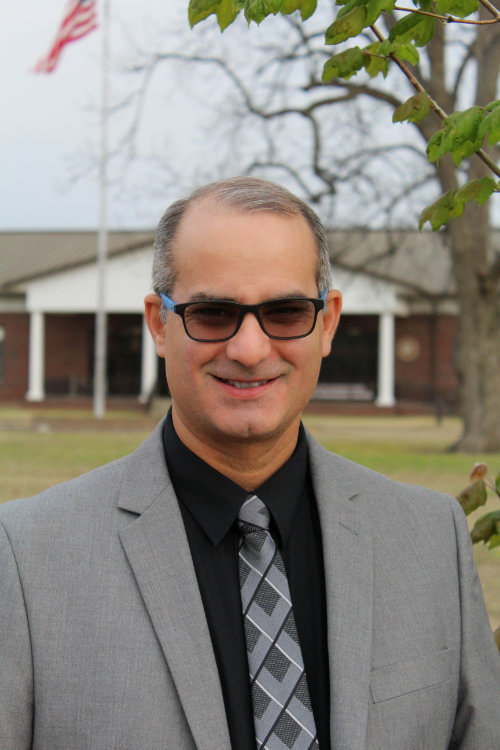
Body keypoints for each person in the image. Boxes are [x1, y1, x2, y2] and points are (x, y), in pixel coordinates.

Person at [0, 177, 498, 750]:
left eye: (285, 312)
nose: (250, 349)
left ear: (328, 322)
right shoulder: (26, 559)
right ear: (159, 323)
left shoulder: (431, 540)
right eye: (213, 313)